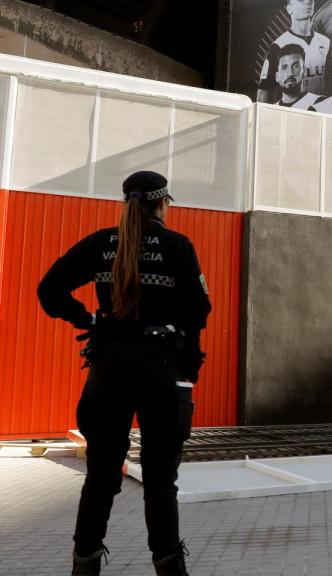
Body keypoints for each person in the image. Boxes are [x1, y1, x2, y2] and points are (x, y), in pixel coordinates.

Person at [38, 171, 211, 576]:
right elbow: (200, 309)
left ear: (127, 202)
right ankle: (169, 566)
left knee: (100, 477)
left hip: (108, 371)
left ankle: (84, 565)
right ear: (162, 203)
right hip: (161, 374)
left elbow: (48, 290)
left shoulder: (101, 244)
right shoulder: (177, 246)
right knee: (160, 482)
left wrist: (89, 318)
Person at [257, 0, 330, 103]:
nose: (308, 2)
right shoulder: (278, 45)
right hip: (294, 113)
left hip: (321, 112)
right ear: (289, 8)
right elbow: (264, 92)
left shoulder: (325, 42)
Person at [272, 44, 322, 109]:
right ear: (277, 76)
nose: (290, 73)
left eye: (296, 66)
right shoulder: (271, 110)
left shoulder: (320, 103)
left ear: (304, 71)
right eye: (284, 67)